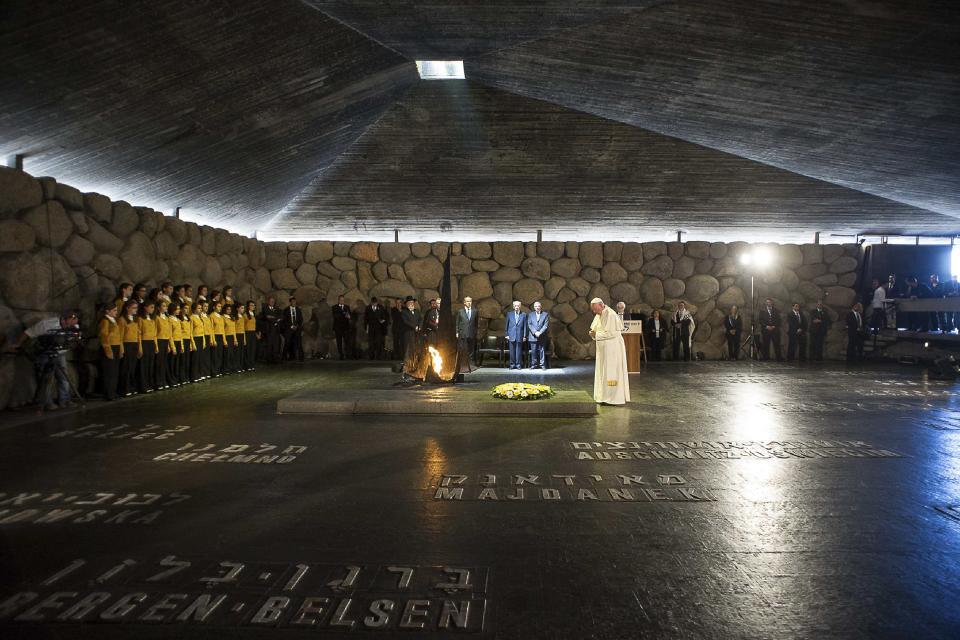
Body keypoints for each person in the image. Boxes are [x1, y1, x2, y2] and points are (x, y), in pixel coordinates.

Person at [5, 310, 81, 411]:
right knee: (46, 378)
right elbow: (28, 333)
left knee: (63, 378)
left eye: (76, 321)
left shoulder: (75, 327)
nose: (75, 323)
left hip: (60, 353)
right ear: (66, 319)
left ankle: (65, 401)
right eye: (73, 320)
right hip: (45, 353)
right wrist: (18, 344)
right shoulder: (46, 325)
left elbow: (74, 338)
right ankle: (47, 402)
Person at [588, 298, 630, 405]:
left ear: (601, 305)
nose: (594, 312)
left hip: (612, 349)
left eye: (595, 309)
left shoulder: (611, 315)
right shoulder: (599, 314)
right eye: (593, 310)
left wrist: (596, 335)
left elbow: (613, 333)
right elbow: (597, 329)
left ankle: (613, 398)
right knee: (603, 372)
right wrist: (594, 333)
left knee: (612, 373)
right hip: (603, 350)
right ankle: (603, 396)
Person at [118, 300, 142, 396]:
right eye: (134, 308)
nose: (136, 310)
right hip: (126, 345)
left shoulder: (135, 319)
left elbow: (138, 335)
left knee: (132, 368)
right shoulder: (122, 320)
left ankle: (131, 387)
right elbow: (120, 336)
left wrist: (140, 348)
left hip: (134, 345)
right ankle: (124, 389)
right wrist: (121, 349)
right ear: (127, 308)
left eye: (136, 308)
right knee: (126, 368)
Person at [138, 300, 159, 393]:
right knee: (144, 366)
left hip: (151, 343)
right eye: (151, 307)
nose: (152, 309)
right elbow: (139, 334)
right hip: (144, 343)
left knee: (151, 365)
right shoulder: (140, 319)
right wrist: (140, 347)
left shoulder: (152, 319)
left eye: (153, 307)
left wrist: (156, 346)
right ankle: (143, 386)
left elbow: (154, 334)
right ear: (145, 308)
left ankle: (150, 384)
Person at [154, 299, 174, 389]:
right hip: (159, 341)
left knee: (164, 363)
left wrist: (169, 345)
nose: (166, 307)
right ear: (158, 308)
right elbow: (155, 332)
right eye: (163, 306)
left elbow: (169, 332)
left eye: (166, 306)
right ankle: (158, 382)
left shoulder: (167, 318)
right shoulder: (156, 318)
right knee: (158, 363)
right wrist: (156, 345)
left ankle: (163, 381)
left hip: (166, 341)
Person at [456, 296, 479, 364]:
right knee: (462, 348)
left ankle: (471, 363)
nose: (469, 303)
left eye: (470, 301)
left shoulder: (475, 311)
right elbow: (457, 323)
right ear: (464, 302)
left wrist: (475, 332)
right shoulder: (460, 311)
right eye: (468, 301)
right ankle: (463, 363)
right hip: (463, 333)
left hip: (471, 333)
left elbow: (476, 323)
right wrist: (457, 332)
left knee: (471, 349)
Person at [504, 300, 527, 369]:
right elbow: (506, 325)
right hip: (511, 335)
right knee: (512, 351)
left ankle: (518, 365)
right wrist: (506, 335)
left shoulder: (524, 314)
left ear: (520, 306)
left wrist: (524, 336)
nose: (516, 307)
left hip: (520, 335)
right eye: (515, 306)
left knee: (519, 351)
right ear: (513, 307)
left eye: (518, 305)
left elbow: (525, 326)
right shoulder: (509, 314)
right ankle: (512, 364)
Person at [260, 297, 282, 363]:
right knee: (269, 345)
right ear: (268, 302)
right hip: (269, 330)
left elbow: (281, 317)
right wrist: (276, 319)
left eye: (273, 301)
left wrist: (273, 317)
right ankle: (269, 360)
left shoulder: (277, 309)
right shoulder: (265, 309)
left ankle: (275, 359)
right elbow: (267, 317)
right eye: (271, 301)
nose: (272, 302)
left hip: (276, 330)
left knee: (276, 345)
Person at [527, 301, 549, 369]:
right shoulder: (530, 314)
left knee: (542, 350)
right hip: (533, 336)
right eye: (536, 306)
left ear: (541, 307)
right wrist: (535, 332)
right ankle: (533, 365)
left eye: (538, 306)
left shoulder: (545, 314)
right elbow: (529, 324)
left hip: (542, 336)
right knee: (533, 351)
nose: (537, 307)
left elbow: (545, 325)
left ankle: (542, 365)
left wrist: (540, 332)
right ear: (534, 307)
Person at [400, 297, 422, 363]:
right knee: (408, 347)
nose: (411, 304)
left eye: (412, 302)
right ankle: (407, 362)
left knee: (416, 346)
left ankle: (415, 361)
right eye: (409, 303)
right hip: (408, 332)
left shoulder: (417, 311)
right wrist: (414, 326)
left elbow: (420, 319)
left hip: (416, 332)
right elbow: (405, 321)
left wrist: (419, 326)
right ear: (406, 304)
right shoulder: (404, 312)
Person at [177, 302, 194, 384]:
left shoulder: (188, 318)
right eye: (185, 308)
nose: (187, 310)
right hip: (182, 340)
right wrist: (182, 344)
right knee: (182, 360)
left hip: (188, 340)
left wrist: (191, 343)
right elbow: (180, 332)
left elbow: (190, 332)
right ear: (181, 309)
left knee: (187, 360)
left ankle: (186, 377)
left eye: (188, 308)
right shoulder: (179, 319)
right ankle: (181, 378)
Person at [284, 297, 304, 362]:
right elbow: (285, 320)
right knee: (287, 343)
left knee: (299, 343)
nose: (294, 303)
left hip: (297, 329)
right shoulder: (286, 310)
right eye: (292, 302)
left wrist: (297, 326)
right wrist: (291, 326)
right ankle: (284, 357)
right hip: (289, 329)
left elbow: (301, 319)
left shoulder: (298, 310)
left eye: (295, 302)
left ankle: (301, 358)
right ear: (290, 302)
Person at [190, 302, 206, 381]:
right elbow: (191, 332)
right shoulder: (192, 318)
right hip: (195, 339)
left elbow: (202, 331)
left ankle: (200, 374)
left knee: (200, 358)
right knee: (195, 358)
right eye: (198, 308)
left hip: (201, 338)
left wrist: (203, 341)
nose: (200, 309)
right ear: (194, 309)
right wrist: (193, 343)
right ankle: (194, 376)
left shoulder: (200, 318)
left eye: (200, 308)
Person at [331, 295, 351, 359]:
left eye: (343, 300)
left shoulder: (347, 307)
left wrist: (349, 317)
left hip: (345, 327)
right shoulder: (334, 307)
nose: (342, 301)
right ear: (338, 300)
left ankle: (347, 355)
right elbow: (336, 316)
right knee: (339, 342)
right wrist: (344, 314)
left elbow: (349, 315)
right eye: (341, 300)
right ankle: (341, 355)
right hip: (338, 327)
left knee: (347, 342)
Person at [244, 301, 259, 370]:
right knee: (248, 349)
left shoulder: (253, 314)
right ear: (248, 306)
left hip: (253, 333)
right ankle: (247, 365)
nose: (253, 306)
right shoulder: (245, 314)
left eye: (254, 305)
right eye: (251, 305)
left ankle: (252, 364)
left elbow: (255, 326)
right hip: (247, 333)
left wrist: (257, 334)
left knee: (253, 349)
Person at [223, 304, 237, 372]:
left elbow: (234, 329)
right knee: (227, 354)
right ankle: (226, 369)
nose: (229, 311)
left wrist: (235, 339)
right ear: (225, 309)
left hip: (232, 336)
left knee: (232, 354)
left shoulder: (232, 317)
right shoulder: (223, 317)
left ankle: (231, 368)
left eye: (230, 309)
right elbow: (222, 329)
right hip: (226, 336)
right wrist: (224, 340)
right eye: (228, 309)